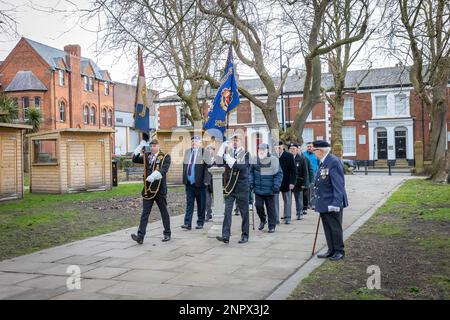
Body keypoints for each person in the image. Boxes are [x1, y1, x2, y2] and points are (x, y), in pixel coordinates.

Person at [310, 140, 348, 261]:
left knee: (335, 227)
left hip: (332, 201)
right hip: (324, 201)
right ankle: (331, 249)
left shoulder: (333, 162)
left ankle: (339, 251)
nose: (313, 152)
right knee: (327, 227)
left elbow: (338, 185)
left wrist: (336, 203)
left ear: (320, 151)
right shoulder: (324, 161)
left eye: (314, 150)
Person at [131, 138, 171, 244]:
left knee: (164, 212)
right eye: (151, 146)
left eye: (154, 146)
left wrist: (154, 176)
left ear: (158, 146)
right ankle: (140, 236)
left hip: (159, 189)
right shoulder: (147, 155)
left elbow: (164, 170)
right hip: (148, 189)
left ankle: (167, 233)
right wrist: (140, 146)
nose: (153, 148)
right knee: (145, 213)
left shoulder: (165, 157)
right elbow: (134, 159)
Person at [216, 133, 250, 244]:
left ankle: (245, 235)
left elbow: (241, 167)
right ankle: (225, 235)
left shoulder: (246, 154)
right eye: (233, 140)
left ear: (241, 141)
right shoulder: (228, 153)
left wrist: (229, 159)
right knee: (227, 211)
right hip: (230, 187)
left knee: (244, 213)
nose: (235, 142)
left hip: (241, 187)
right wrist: (221, 149)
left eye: (237, 140)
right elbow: (218, 162)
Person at [249, 143, 283, 233]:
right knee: (258, 206)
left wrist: (276, 185)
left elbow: (278, 174)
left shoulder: (273, 160)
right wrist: (251, 182)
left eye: (263, 150)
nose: (261, 151)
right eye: (260, 149)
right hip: (258, 189)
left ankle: (272, 226)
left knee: (271, 208)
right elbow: (250, 172)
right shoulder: (254, 159)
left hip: (270, 189)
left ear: (267, 150)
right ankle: (263, 219)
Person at [181, 135, 210, 230]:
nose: (194, 143)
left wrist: (206, 180)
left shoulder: (204, 152)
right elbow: (184, 166)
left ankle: (200, 222)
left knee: (201, 204)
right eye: (193, 141)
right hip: (189, 183)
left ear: (200, 143)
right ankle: (187, 223)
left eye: (196, 141)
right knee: (189, 204)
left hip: (200, 184)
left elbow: (207, 168)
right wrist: (184, 178)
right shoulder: (187, 152)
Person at [274, 141, 296, 224]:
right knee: (274, 201)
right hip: (275, 182)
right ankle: (276, 219)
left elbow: (293, 171)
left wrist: (292, 182)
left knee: (287, 200)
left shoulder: (289, 156)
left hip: (286, 182)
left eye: (279, 147)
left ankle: (287, 217)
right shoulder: (273, 156)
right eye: (276, 147)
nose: (278, 149)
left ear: (282, 147)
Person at [288, 143, 308, 220]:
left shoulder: (302, 159)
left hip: (298, 183)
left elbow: (305, 172)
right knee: (288, 200)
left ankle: (299, 213)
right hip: (288, 182)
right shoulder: (287, 158)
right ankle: (287, 214)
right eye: (291, 149)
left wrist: (304, 183)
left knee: (299, 199)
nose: (292, 150)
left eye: (294, 149)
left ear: (297, 150)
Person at [303, 142, 320, 214]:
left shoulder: (316, 154)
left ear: (313, 147)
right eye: (308, 146)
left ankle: (312, 204)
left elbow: (319, 163)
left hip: (315, 174)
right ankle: (306, 204)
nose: (309, 148)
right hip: (306, 174)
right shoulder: (304, 154)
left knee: (313, 189)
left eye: (310, 146)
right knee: (307, 190)